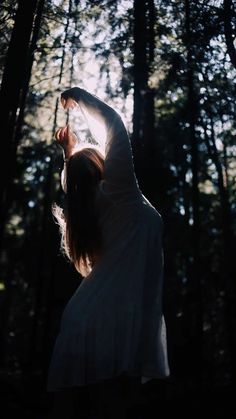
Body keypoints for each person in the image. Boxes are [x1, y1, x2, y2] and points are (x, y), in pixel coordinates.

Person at [47, 87, 170, 419]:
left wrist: (69, 153)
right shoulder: (119, 189)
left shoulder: (92, 206)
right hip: (113, 318)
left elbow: (75, 184)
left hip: (89, 319)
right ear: (101, 166)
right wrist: (78, 95)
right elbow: (114, 123)